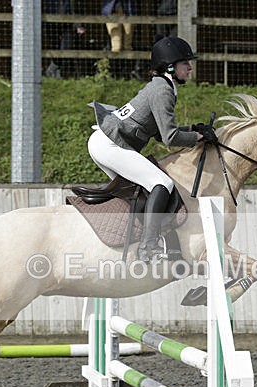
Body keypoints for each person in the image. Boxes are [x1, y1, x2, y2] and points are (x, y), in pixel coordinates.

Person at [87, 36, 218, 262]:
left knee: (141, 189)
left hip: (106, 141)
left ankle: (135, 237)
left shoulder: (163, 86)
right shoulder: (162, 91)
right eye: (185, 63)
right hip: (110, 144)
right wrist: (197, 137)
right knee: (162, 183)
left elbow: (159, 131)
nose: (190, 67)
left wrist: (193, 128)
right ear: (170, 67)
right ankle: (148, 246)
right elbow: (169, 137)